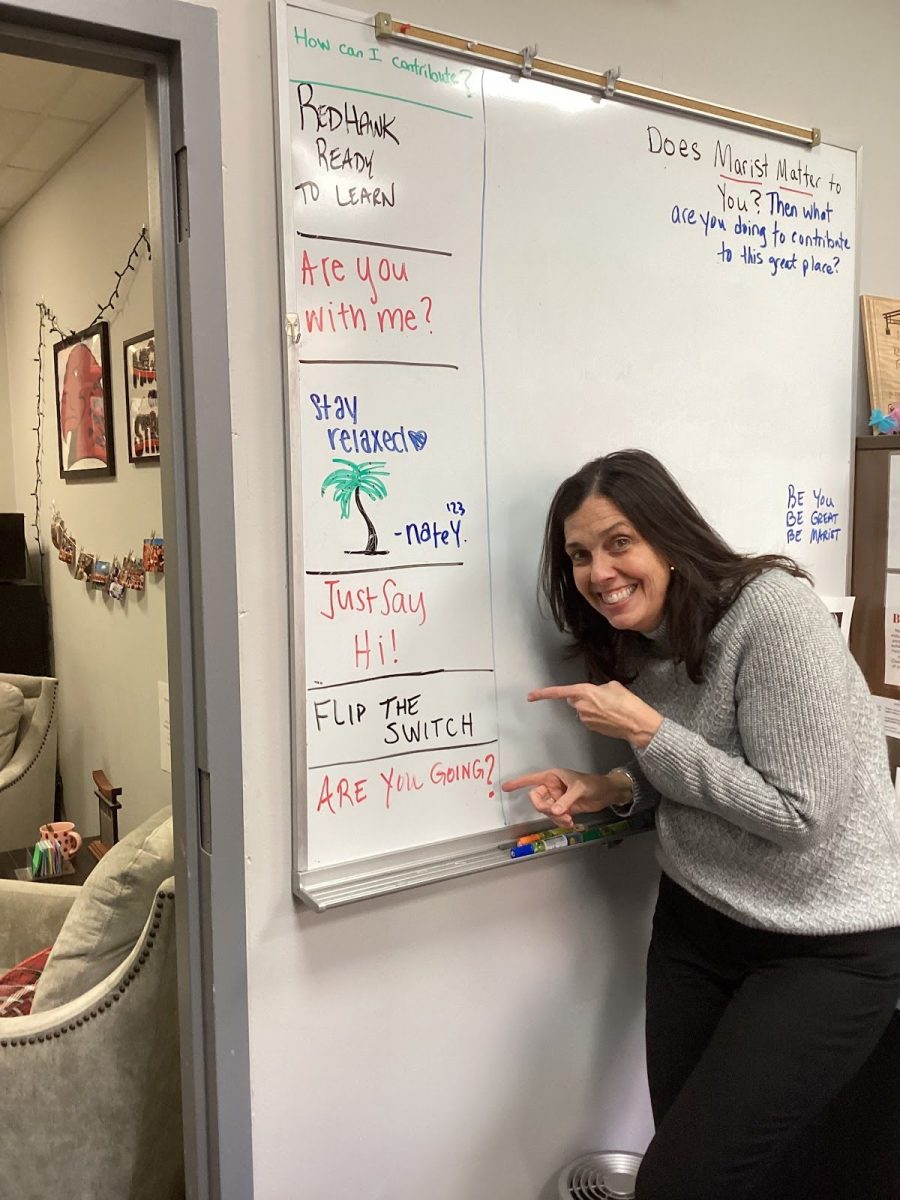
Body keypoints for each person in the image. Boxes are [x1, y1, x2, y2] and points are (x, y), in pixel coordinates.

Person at [502, 449, 900, 1200]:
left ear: (670, 539)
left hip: (824, 950)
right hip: (697, 927)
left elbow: (797, 812)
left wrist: (651, 735)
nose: (599, 571)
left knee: (684, 1183)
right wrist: (612, 785)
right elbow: (702, 778)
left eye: (619, 542)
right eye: (580, 555)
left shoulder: (772, 614)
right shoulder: (640, 642)